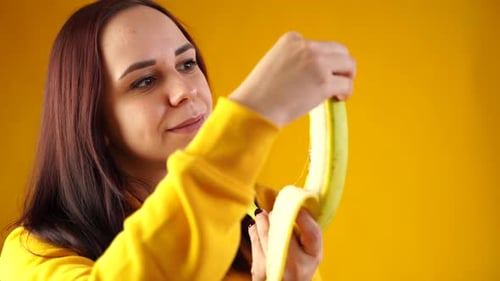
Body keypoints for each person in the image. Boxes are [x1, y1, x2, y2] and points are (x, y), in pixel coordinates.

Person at [0, 0, 356, 280]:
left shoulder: (261, 211)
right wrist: (252, 111)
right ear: (92, 119)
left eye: (187, 64)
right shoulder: (34, 255)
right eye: (144, 81)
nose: (185, 91)